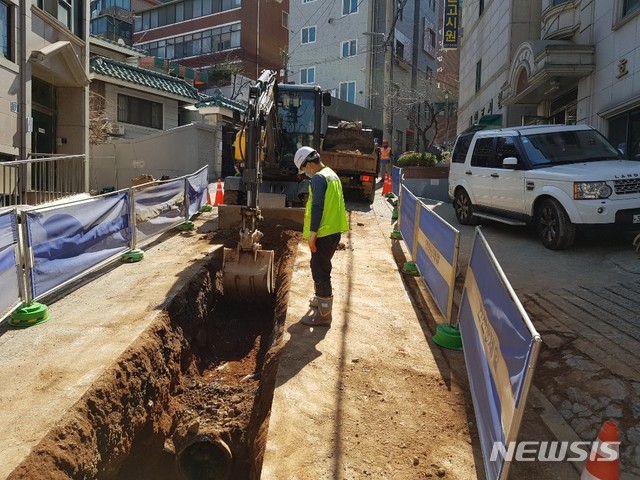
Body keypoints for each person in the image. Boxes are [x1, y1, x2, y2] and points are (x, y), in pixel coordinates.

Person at [293, 146, 349, 327]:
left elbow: (317, 207)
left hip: (323, 233)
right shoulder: (331, 174)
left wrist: (312, 234)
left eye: (303, 169)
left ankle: (324, 316)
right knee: (321, 266)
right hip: (333, 231)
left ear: (309, 164)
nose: (304, 173)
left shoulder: (318, 179)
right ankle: (320, 298)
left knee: (320, 271)